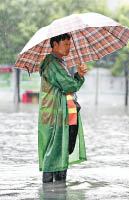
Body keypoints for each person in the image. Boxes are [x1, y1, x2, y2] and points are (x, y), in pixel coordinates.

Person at [38, 33, 88, 183]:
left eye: (69, 44)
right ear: (54, 45)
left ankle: (58, 191)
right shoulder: (52, 63)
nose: (69, 47)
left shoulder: (60, 62)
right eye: (65, 44)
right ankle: (52, 191)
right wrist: (78, 76)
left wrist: (77, 76)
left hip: (61, 115)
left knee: (61, 152)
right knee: (54, 153)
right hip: (55, 116)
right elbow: (69, 85)